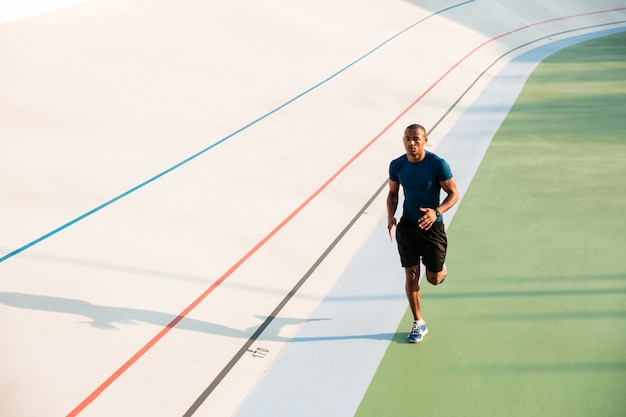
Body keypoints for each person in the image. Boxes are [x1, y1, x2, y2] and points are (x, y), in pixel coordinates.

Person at [387, 123, 459, 343]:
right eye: (407, 139)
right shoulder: (397, 165)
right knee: (411, 274)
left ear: (425, 140)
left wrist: (436, 211)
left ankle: (439, 267)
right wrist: (391, 216)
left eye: (416, 139)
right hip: (407, 227)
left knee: (434, 279)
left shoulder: (438, 164)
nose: (411, 143)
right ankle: (419, 322)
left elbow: (453, 194)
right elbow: (393, 194)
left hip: (432, 227)